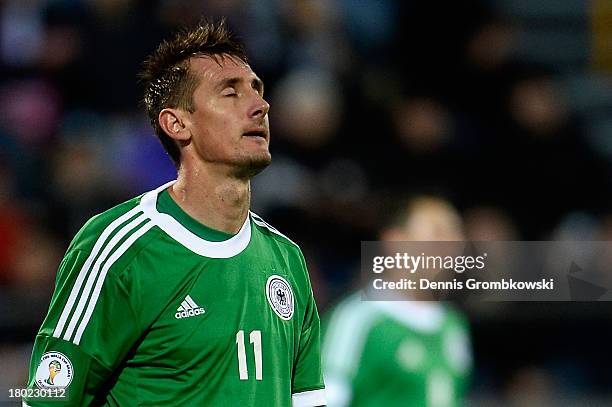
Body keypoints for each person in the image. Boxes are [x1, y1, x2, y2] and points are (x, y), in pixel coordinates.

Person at [23, 20, 326, 407]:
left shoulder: (286, 259)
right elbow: (47, 399)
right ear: (177, 123)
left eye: (257, 90)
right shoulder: (119, 249)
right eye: (230, 92)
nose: (260, 105)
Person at [322, 196, 472, 406]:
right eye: (438, 232)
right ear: (395, 241)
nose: (452, 245)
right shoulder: (357, 318)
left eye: (457, 234)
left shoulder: (453, 325)